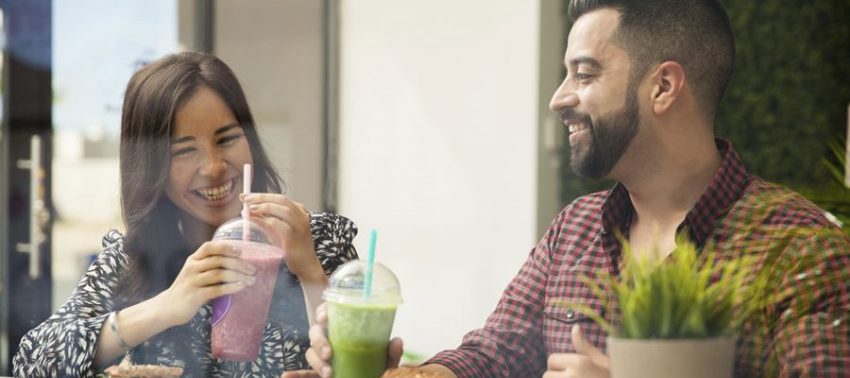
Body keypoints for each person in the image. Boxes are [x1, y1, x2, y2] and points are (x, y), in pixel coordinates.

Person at [289, 0, 850, 377]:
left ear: (663, 86)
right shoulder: (576, 228)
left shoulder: (801, 249)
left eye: (584, 74)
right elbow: (491, 357)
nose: (559, 97)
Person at [13, 52, 359, 377]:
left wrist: (309, 270)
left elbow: (361, 364)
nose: (213, 167)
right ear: (153, 170)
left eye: (227, 140)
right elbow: (32, 363)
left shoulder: (318, 240)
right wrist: (165, 307)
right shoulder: (130, 261)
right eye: (184, 151)